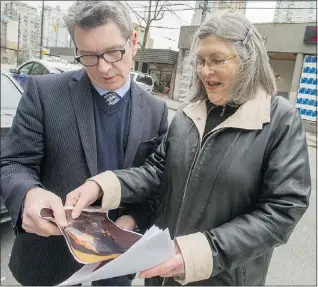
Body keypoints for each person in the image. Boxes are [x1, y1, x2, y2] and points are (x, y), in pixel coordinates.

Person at [67, 11, 311, 286]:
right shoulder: (188, 115)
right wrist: (102, 186)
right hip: (162, 272)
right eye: (201, 61)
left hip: (223, 278)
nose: (205, 70)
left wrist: (197, 253)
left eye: (217, 60)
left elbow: (283, 209)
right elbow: (157, 173)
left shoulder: (279, 119)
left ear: (248, 59)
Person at [0, 1, 168, 286]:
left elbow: (157, 182)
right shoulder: (44, 92)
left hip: (115, 265)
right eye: (88, 56)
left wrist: (133, 222)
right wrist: (28, 194)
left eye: (114, 52)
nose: (103, 68)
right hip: (48, 261)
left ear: (134, 41)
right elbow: (14, 162)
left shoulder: (156, 110)